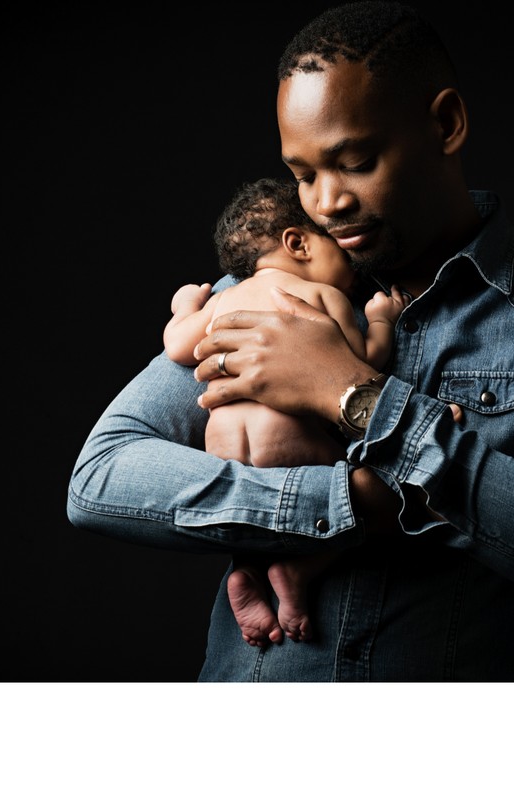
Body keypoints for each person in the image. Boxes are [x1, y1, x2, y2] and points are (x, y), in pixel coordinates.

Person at [67, 1, 514, 681]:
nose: (326, 203)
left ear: (445, 124)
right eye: (303, 174)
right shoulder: (266, 289)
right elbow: (100, 479)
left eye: (355, 161)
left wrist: (351, 394)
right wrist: (352, 504)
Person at [163, 176, 409, 646]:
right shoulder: (321, 297)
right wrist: (381, 318)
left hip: (227, 458)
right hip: (296, 448)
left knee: (259, 521)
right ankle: (296, 574)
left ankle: (246, 574)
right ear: (297, 243)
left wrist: (185, 305)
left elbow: (177, 345)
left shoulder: (223, 300)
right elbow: (363, 362)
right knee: (361, 509)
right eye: (334, 243)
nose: (352, 262)